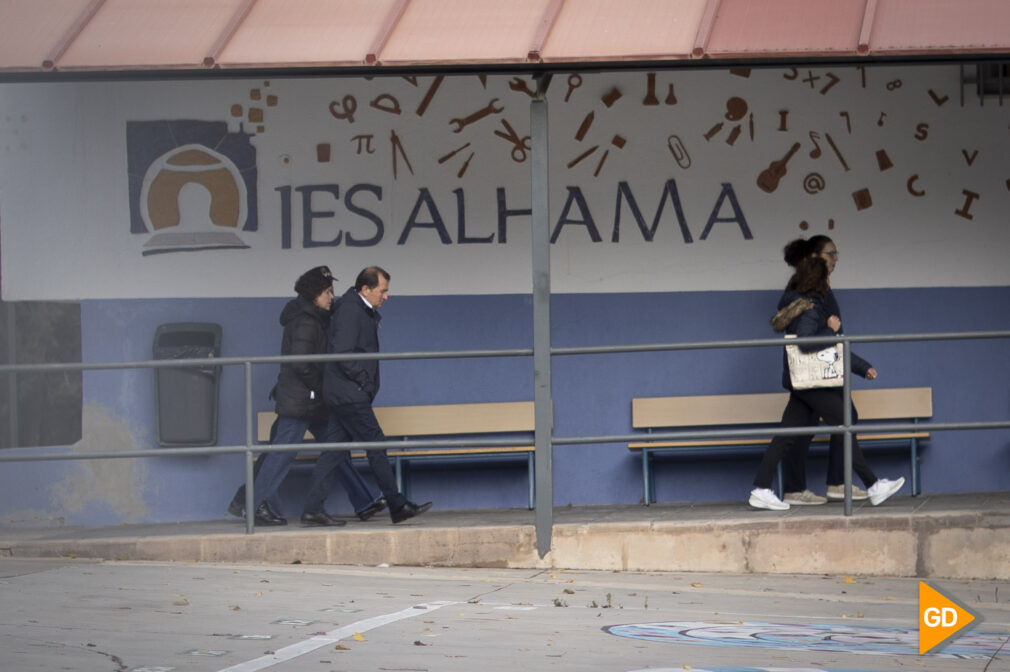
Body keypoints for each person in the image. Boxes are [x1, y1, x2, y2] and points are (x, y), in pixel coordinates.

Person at [749, 239, 905, 511]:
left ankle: (761, 488)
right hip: (812, 382)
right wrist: (831, 329)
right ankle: (873, 484)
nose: (831, 281)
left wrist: (860, 366)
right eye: (827, 276)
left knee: (786, 436)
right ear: (818, 281)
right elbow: (809, 343)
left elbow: (832, 347)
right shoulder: (811, 308)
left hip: (804, 382)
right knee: (845, 422)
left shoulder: (808, 305)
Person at [234, 265, 385, 527]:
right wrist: (321, 386)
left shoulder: (316, 317)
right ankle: (254, 503)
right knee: (283, 453)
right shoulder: (305, 321)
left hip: (311, 399)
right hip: (301, 399)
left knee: (333, 449)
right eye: (328, 292)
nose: (332, 297)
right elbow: (302, 363)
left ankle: (363, 500)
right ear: (314, 294)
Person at [325, 266, 433, 524]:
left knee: (331, 451)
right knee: (375, 444)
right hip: (350, 393)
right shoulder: (351, 310)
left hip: (346, 392)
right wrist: (364, 383)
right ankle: (397, 504)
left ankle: (311, 508)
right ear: (366, 289)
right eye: (382, 291)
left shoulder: (359, 309)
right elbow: (342, 353)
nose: (386, 296)